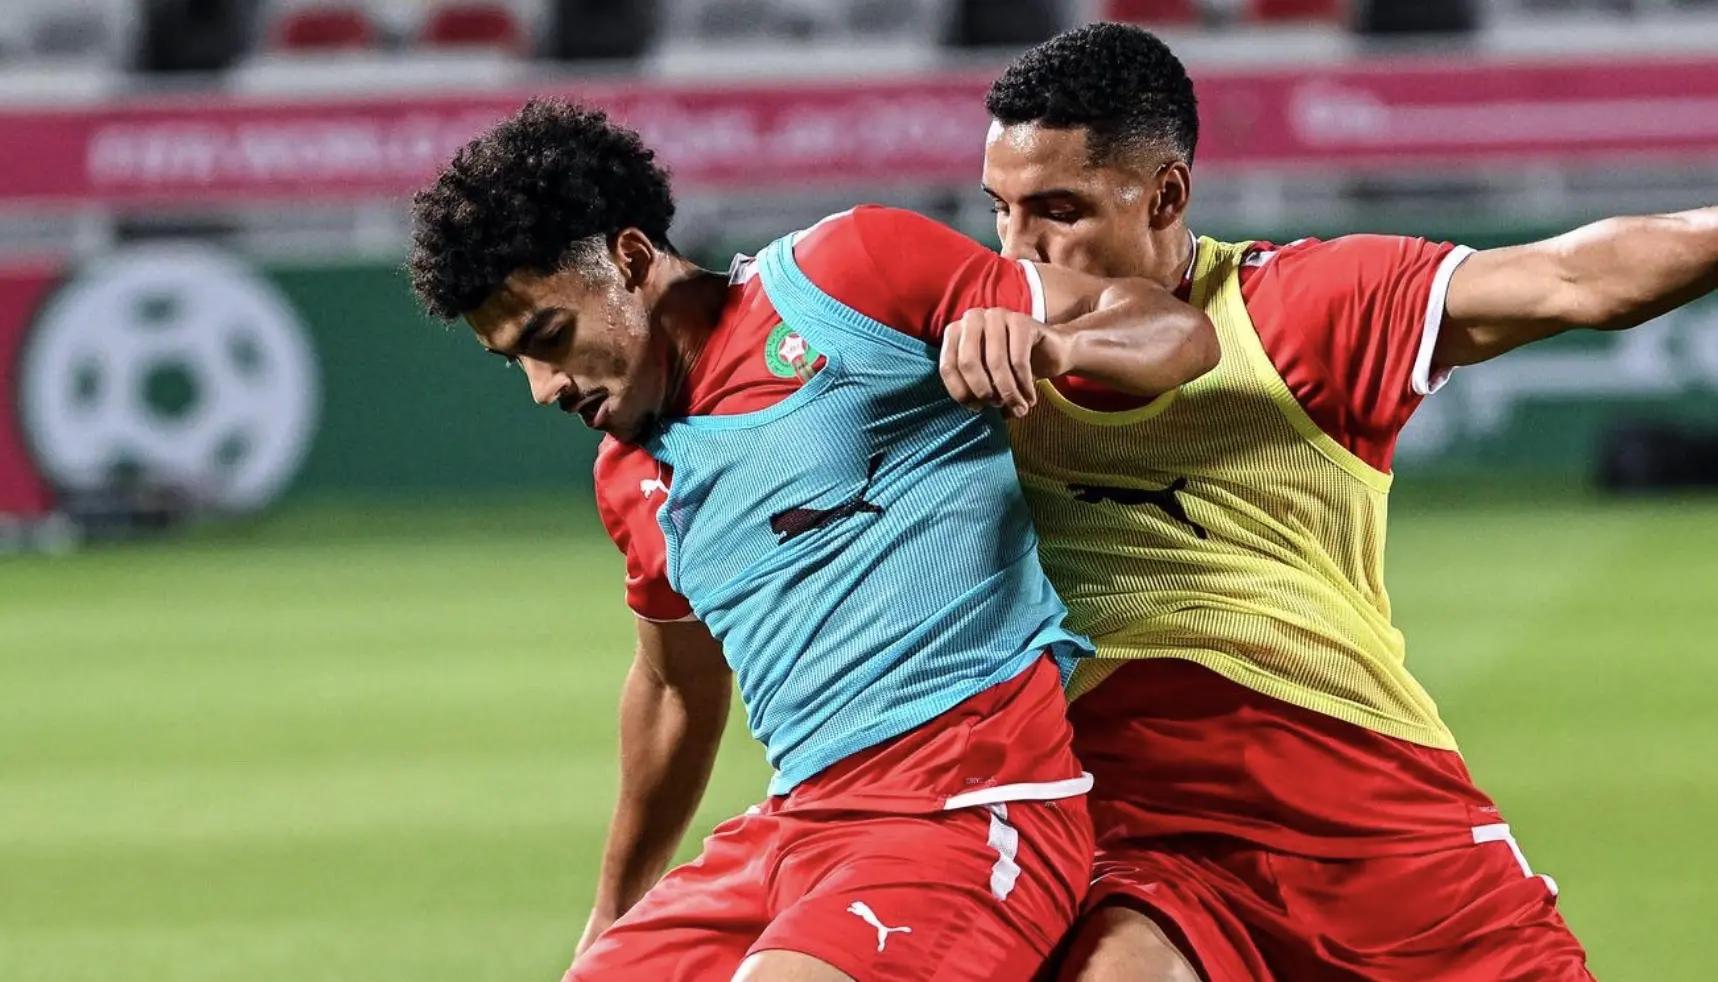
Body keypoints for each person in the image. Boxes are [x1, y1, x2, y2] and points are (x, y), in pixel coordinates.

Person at [405, 99, 1218, 982]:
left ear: (631, 259)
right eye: (512, 361)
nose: (541, 388)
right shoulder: (629, 479)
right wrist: (614, 916)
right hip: (798, 830)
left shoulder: (845, 277)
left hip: (967, 810)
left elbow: (1179, 330)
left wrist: (1055, 346)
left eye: (550, 338)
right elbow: (677, 692)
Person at [978, 22, 1718, 981]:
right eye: (998, 208)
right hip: (1147, 836)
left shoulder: (1301, 308)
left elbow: (1575, 277)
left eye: (1059, 209)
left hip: (1370, 805)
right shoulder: (964, 350)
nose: (1019, 244)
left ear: (1167, 193)